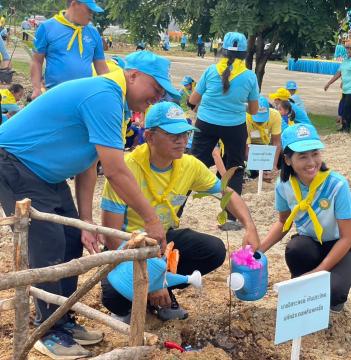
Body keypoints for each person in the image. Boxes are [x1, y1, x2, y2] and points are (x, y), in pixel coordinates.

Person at [0, 50, 180, 359]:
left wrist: (86, 222)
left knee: (71, 238)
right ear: (133, 76)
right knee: (48, 241)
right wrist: (151, 220)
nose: (158, 96)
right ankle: (46, 329)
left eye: (163, 92)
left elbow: (88, 163)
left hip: (47, 174)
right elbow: (116, 170)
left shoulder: (118, 105)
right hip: (15, 163)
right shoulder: (105, 94)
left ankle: (62, 318)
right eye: (156, 87)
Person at [100, 101, 260, 321]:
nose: (182, 141)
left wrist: (250, 227)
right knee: (114, 297)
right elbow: (110, 236)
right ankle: (149, 296)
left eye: (185, 133)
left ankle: (163, 292)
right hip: (127, 247)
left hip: (162, 241)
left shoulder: (189, 165)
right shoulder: (125, 169)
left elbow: (226, 193)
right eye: (173, 135)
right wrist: (152, 279)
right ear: (149, 137)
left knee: (213, 250)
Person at [259, 123, 351, 313]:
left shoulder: (337, 185)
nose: (311, 162)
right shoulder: (284, 186)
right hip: (309, 245)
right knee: (296, 248)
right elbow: (283, 222)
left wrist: (319, 271)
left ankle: (330, 293)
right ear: (288, 160)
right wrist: (259, 251)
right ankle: (303, 282)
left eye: (315, 154)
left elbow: (347, 237)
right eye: (302, 156)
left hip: (341, 247)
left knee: (333, 291)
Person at [189, 31, 259, 231]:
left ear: (222, 50)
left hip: (206, 123)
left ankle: (175, 210)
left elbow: (192, 100)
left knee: (192, 165)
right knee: (234, 169)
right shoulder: (249, 76)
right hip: (235, 126)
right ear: (245, 54)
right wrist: (236, 104)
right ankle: (231, 218)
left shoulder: (210, 71)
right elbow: (254, 111)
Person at [30, 0, 109, 99]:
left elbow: (102, 68)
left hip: (84, 97)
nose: (91, 15)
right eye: (89, 10)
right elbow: (37, 61)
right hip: (54, 95)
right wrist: (37, 88)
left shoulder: (93, 32)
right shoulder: (47, 28)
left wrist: (110, 90)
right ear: (74, 4)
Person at [324, 42, 351, 133]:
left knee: (347, 107)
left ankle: (347, 128)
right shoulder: (345, 61)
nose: (348, 50)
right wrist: (329, 83)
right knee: (344, 108)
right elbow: (338, 73)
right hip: (346, 89)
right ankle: (344, 126)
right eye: (347, 48)